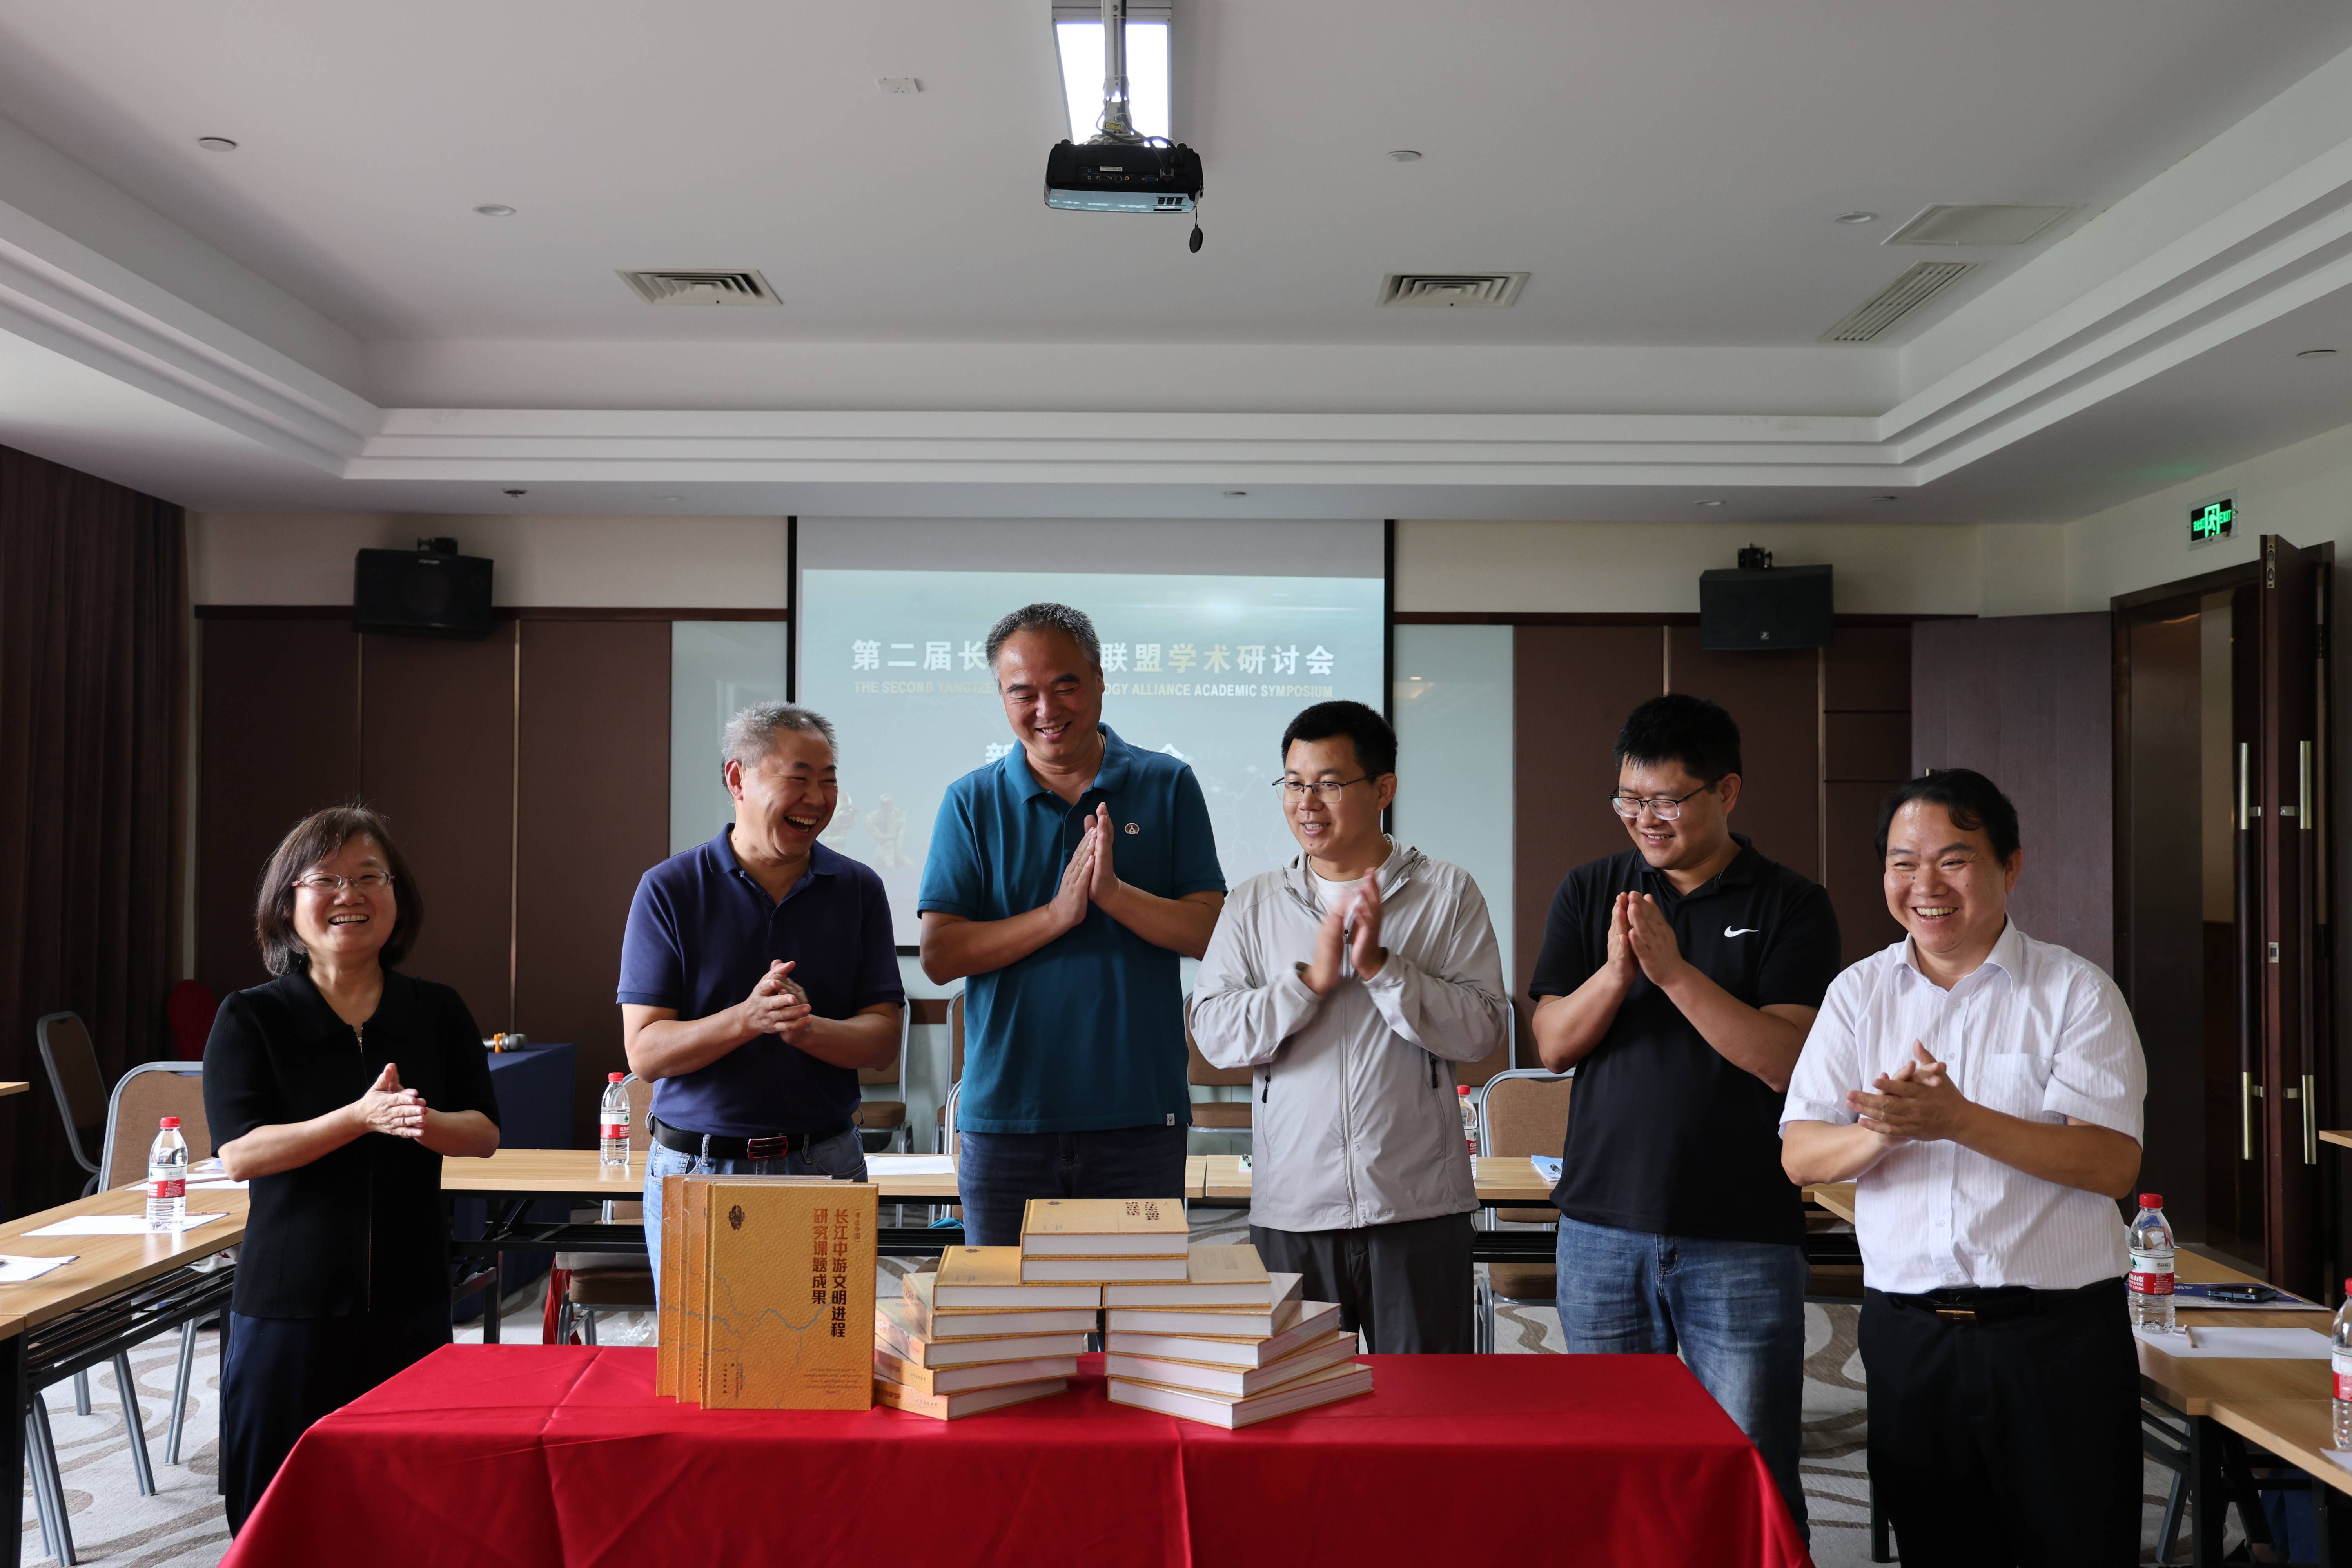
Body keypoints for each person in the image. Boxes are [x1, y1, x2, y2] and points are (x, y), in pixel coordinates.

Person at [1781, 770, 2145, 1566]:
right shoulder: (1858, 993)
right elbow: (1801, 1153)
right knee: (1938, 1547)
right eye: (1903, 862)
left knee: (2076, 1544)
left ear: (2010, 865)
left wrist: (1958, 1120)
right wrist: (1885, 1133)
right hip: (1910, 1335)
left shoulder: (2076, 992)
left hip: (2056, 1336)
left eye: (1954, 859)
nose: (1926, 885)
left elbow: (2112, 1162)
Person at [1527, 693, 1838, 1538]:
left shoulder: (1792, 903)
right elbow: (1553, 1043)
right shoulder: (1593, 888)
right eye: (1629, 800)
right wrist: (1616, 975)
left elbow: (1785, 1059)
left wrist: (1672, 974)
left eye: (1667, 799)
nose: (1646, 819)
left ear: (1726, 790)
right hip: (1601, 1226)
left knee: (1750, 1466)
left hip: (1740, 1234)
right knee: (1612, 1462)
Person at [204, 806, 503, 1533]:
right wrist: (360, 1118)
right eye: (327, 880)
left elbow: (485, 1133)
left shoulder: (436, 1010)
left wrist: (418, 1121)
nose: (351, 895)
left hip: (411, 1294)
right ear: (288, 902)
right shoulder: (251, 1018)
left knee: (407, 1503)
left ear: (397, 898)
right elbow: (241, 1153)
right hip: (288, 1304)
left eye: (371, 877)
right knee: (276, 1507)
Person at [1192, 700, 1508, 1351]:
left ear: (1383, 789)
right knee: (1300, 1402)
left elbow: (1482, 1030)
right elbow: (1215, 1035)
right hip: (1294, 1208)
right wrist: (1307, 985)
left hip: (1417, 1206)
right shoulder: (1252, 904)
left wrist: (1385, 971)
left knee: (1424, 1405)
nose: (1307, 803)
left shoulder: (1447, 893)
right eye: (1294, 783)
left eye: (1329, 784)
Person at [918, 602, 1226, 1245]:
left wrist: (1113, 895)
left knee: (1137, 1309)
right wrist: (1057, 915)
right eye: (1022, 693)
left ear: (1100, 680)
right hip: (1007, 1121)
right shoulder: (971, 801)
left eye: (1065, 686)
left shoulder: (1168, 784)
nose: (1046, 709)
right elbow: (941, 955)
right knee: (1008, 1310)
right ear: (1002, 697)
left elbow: (1209, 934)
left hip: (1139, 1116)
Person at [620, 702, 904, 1288]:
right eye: (799, 778)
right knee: (704, 1348)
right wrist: (748, 1019)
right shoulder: (670, 889)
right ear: (737, 779)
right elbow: (645, 1053)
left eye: (828, 781)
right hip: (697, 1168)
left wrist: (806, 1029)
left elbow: (882, 1043)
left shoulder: (858, 888)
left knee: (825, 1344)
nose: (817, 799)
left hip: (825, 1161)